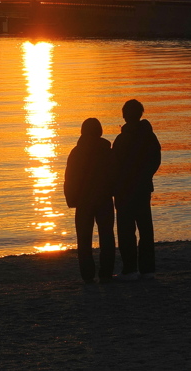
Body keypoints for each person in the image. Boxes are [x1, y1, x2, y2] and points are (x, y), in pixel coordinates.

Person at [111, 99, 161, 281]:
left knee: (126, 230)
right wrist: (146, 176)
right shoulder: (149, 136)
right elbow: (155, 160)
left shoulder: (122, 139)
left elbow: (114, 165)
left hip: (125, 190)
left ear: (125, 115)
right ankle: (147, 269)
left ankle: (130, 269)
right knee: (145, 228)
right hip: (142, 188)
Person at [63, 118, 115, 284]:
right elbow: (115, 174)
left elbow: (69, 179)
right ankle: (106, 273)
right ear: (99, 132)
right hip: (104, 199)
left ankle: (87, 275)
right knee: (107, 236)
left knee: (84, 239)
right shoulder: (107, 150)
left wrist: (72, 199)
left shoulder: (77, 153)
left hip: (84, 201)